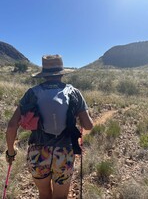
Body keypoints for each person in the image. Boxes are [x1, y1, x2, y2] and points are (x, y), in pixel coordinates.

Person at [5, 54, 93, 199]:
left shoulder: (31, 93)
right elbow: (88, 126)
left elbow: (12, 126)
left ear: (44, 74)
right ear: (61, 73)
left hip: (38, 153)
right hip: (64, 153)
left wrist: (10, 152)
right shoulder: (74, 92)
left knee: (44, 193)